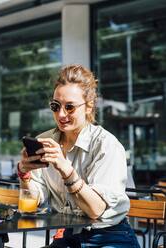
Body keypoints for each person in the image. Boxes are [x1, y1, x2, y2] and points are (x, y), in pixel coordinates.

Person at [17, 65, 140, 247]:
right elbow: (35, 202)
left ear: (89, 107)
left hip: (109, 236)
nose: (61, 114)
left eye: (70, 107)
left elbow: (96, 210)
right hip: (69, 235)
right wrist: (24, 174)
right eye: (55, 106)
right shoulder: (45, 141)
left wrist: (66, 170)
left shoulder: (106, 145)